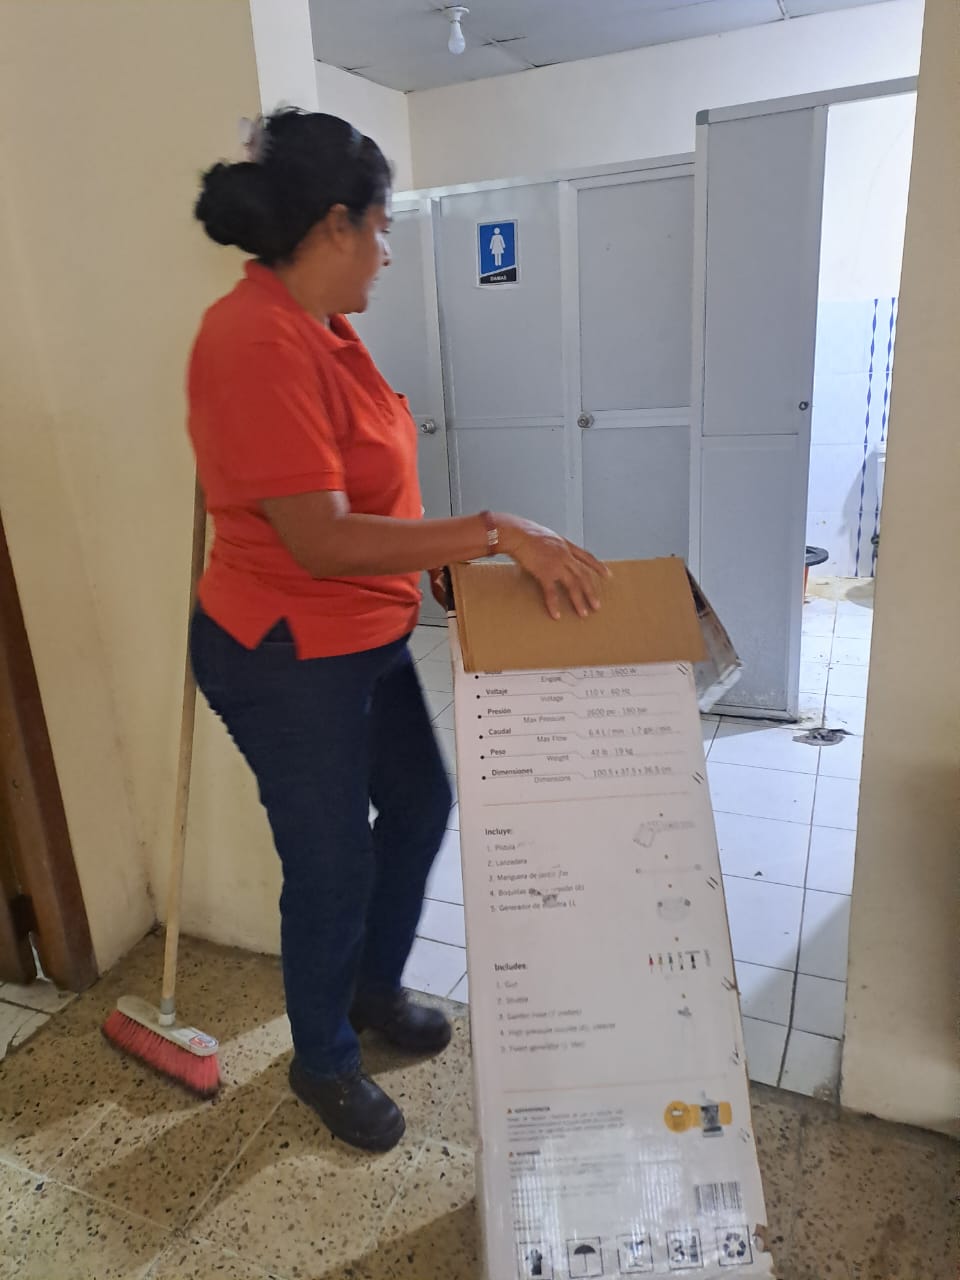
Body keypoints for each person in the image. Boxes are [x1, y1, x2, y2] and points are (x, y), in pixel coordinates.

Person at [188, 108, 606, 1152]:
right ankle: (323, 1058)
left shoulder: (327, 327)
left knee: (419, 806)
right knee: (331, 864)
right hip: (284, 654)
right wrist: (496, 531)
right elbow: (322, 537)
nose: (386, 251)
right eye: (381, 229)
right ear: (336, 223)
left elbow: (371, 493)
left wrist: (446, 562)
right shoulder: (252, 340)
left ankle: (370, 989)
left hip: (363, 638)